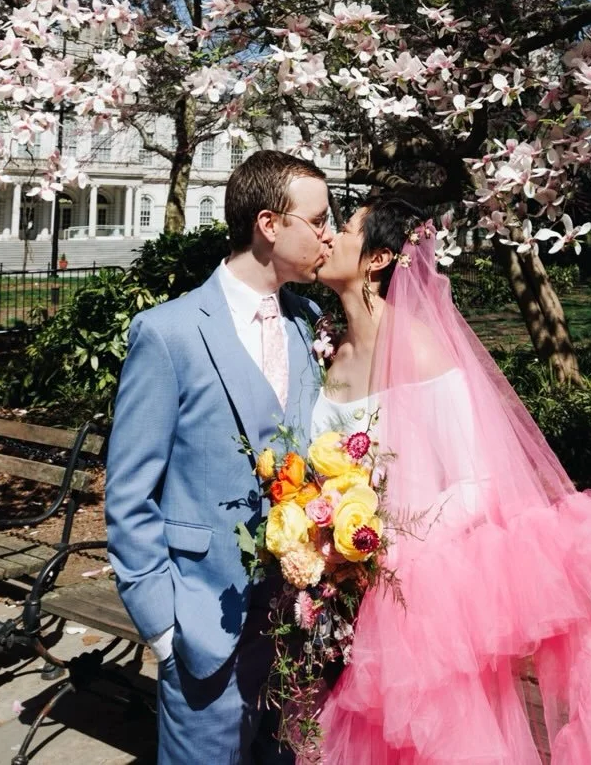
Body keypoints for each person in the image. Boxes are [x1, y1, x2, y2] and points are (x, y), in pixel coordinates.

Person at [311, 196, 591, 764]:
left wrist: (390, 544)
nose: (329, 237)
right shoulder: (334, 353)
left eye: (344, 229)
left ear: (379, 258)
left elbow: (474, 483)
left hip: (416, 591)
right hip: (346, 585)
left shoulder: (418, 347)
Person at [106, 149, 334, 765]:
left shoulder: (308, 322)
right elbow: (128, 494)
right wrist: (164, 628)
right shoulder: (169, 333)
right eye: (318, 220)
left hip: (294, 627)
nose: (328, 234)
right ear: (269, 224)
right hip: (203, 629)